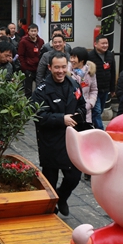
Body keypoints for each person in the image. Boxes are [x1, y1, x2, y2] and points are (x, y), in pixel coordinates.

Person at [32, 52, 86, 216]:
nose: (60, 71)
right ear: (50, 68)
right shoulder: (42, 90)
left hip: (72, 139)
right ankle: (50, 209)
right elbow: (38, 115)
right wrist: (61, 119)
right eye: (57, 67)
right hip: (51, 141)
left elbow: (82, 106)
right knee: (50, 179)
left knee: (74, 177)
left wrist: (78, 116)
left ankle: (61, 197)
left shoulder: (74, 84)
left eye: (64, 67)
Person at [88, 34, 115, 130]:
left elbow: (113, 71)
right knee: (97, 110)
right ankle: (100, 130)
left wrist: (112, 88)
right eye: (102, 43)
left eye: (106, 43)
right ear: (95, 44)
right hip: (94, 90)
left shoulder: (110, 55)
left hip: (105, 88)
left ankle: (92, 126)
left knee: (100, 110)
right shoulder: (90, 56)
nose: (105, 45)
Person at [69, 47, 98, 124]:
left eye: (74, 57)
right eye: (71, 57)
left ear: (82, 60)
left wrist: (90, 103)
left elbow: (94, 90)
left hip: (86, 111)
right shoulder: (67, 73)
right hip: (71, 111)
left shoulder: (90, 72)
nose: (71, 60)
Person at [17, 23, 44, 98]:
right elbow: (21, 56)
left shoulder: (41, 41)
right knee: (28, 89)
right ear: (28, 31)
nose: (33, 33)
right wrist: (24, 68)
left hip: (38, 68)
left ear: (37, 31)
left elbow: (42, 54)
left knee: (40, 87)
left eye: (35, 31)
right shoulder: (23, 41)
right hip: (28, 68)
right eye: (31, 31)